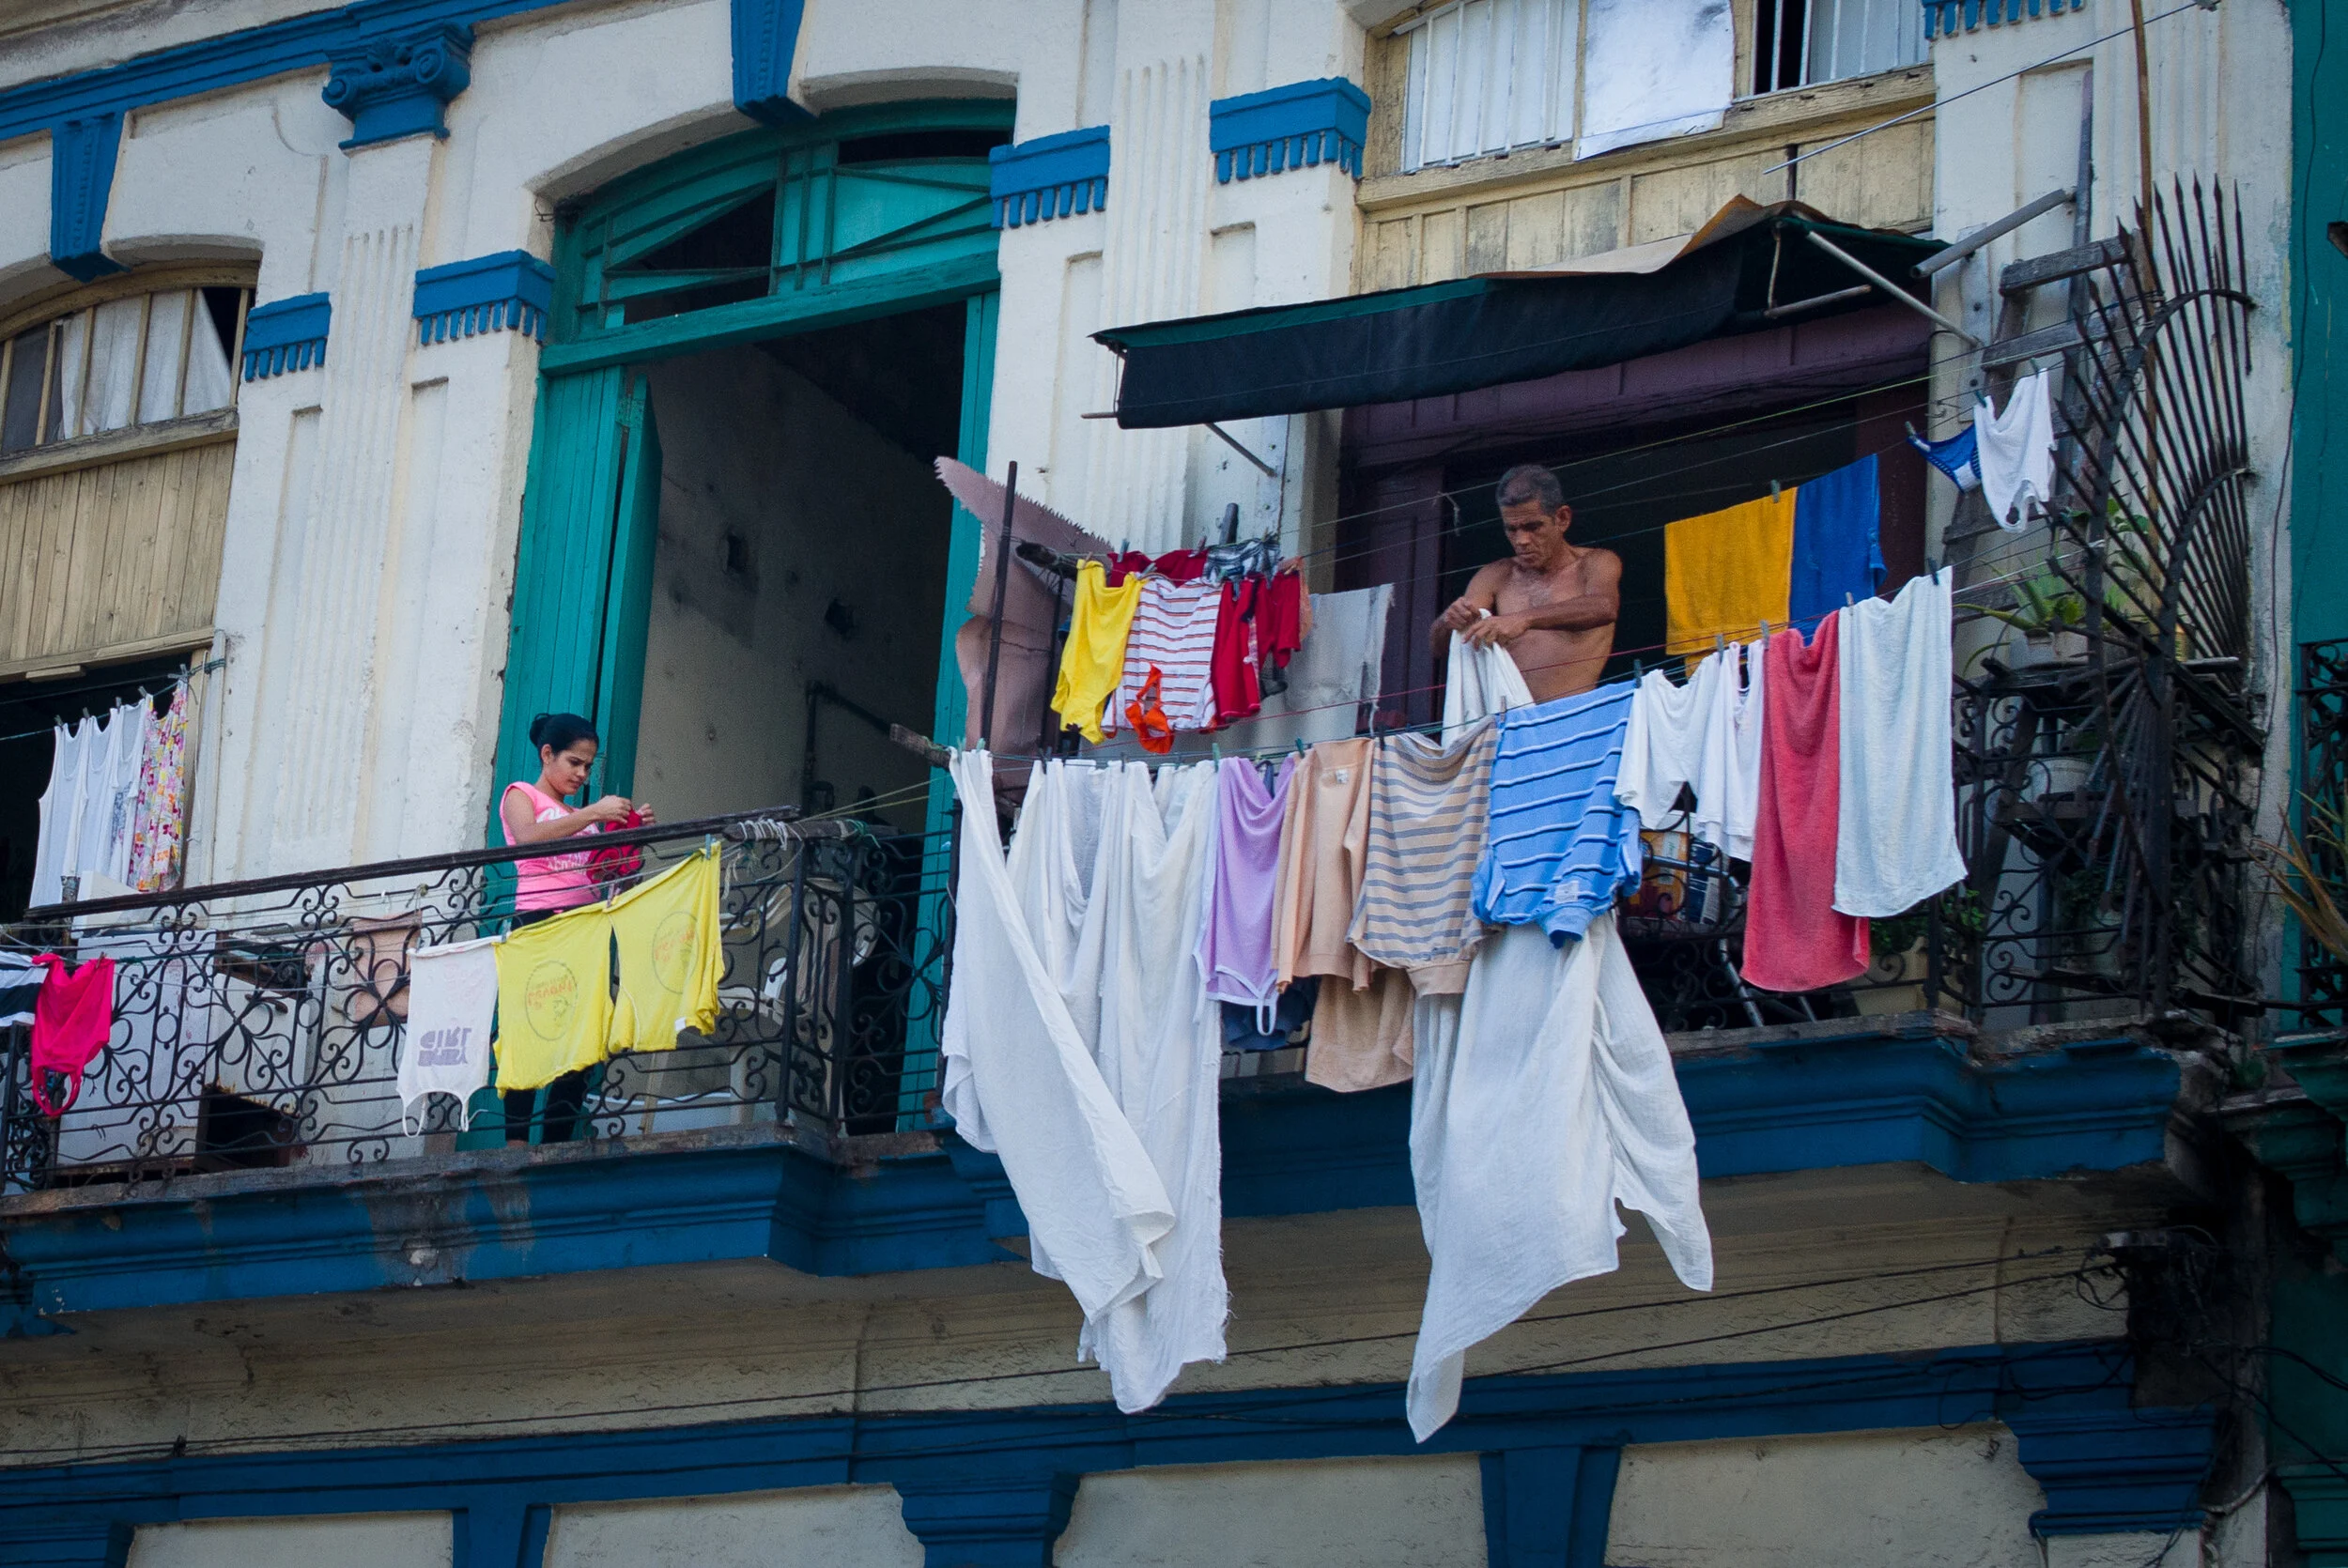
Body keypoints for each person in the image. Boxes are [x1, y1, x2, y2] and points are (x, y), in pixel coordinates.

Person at [496, 712, 654, 1145]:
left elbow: (610, 880)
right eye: (574, 762)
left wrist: (630, 837)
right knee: (530, 1028)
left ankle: (556, 1143)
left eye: (588, 765)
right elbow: (527, 837)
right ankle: (515, 1145)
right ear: (547, 754)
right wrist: (592, 814)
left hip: (584, 929)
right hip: (539, 922)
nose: (582, 774)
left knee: (583, 1038)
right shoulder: (521, 794)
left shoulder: (584, 818)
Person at [1430, 463, 1621, 702]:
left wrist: (1523, 619)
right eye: (1512, 529)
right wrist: (1449, 620)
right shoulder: (1496, 575)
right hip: (1508, 719)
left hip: (1573, 714)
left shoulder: (1595, 562)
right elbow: (1439, 648)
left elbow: (1604, 607)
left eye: (1532, 527)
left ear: (1562, 519)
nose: (1521, 540)